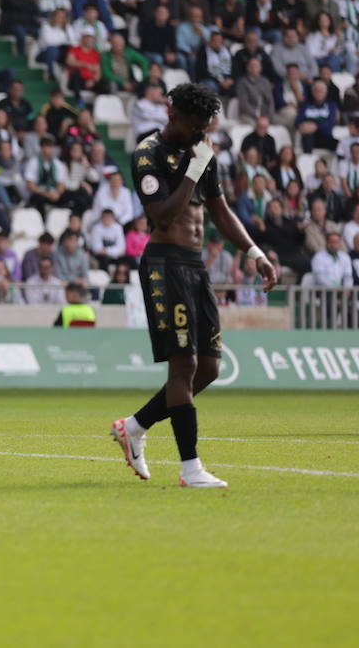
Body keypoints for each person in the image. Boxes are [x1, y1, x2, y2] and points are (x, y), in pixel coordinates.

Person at [111, 84, 277, 489]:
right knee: (183, 366)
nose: (201, 136)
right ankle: (190, 469)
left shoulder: (201, 153)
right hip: (164, 264)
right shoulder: (148, 154)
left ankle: (134, 426)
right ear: (172, 115)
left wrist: (254, 252)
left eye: (205, 128)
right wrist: (191, 170)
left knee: (208, 368)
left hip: (194, 266)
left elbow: (219, 211)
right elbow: (163, 217)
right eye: (194, 127)